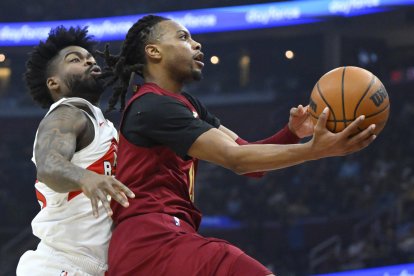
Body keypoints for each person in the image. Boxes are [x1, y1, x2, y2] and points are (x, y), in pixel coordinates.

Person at [99, 15, 376, 276]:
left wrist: (291, 133)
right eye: (183, 37)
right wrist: (316, 150)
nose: (196, 44)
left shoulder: (187, 105)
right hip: (151, 241)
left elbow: (248, 160)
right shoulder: (152, 106)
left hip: (161, 241)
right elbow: (237, 159)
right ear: (154, 52)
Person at [16, 26, 135, 276]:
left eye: (90, 58)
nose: (89, 60)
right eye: (75, 59)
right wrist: (85, 177)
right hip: (60, 265)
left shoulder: (104, 125)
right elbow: (49, 165)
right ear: (53, 83)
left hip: (91, 267)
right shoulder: (68, 113)